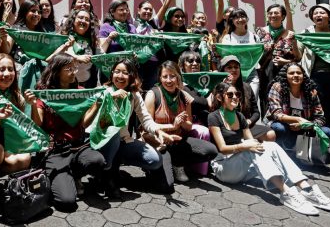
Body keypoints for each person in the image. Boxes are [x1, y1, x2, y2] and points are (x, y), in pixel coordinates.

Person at [209, 81, 330, 215]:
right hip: (224, 167)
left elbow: (251, 141)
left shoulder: (240, 116)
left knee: (270, 145)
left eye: (237, 94)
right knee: (252, 149)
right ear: (220, 97)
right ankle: (287, 192)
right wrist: (243, 146)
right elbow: (222, 148)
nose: (235, 97)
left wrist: (252, 145)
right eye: (230, 94)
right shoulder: (214, 117)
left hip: (243, 168)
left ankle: (306, 189)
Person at [84, 59, 179, 196]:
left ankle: (115, 165)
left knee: (154, 160)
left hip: (123, 141)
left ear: (131, 76)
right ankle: (106, 174)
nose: (120, 76)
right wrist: (110, 97)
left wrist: (158, 131)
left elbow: (145, 119)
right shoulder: (103, 92)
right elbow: (94, 122)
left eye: (125, 73)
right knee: (113, 132)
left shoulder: (134, 95)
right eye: (117, 72)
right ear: (111, 74)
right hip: (99, 141)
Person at [27, 54, 105, 210]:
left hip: (77, 146)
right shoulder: (44, 92)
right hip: (56, 150)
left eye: (74, 68)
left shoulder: (80, 91)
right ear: (56, 71)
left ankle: (74, 176)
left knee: (97, 161)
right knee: (67, 202)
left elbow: (83, 123)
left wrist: (96, 106)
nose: (74, 72)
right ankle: (55, 175)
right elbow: (38, 123)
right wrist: (34, 105)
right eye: (69, 68)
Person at [143, 61, 218, 181]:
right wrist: (173, 126)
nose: (169, 80)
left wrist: (182, 122)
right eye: (165, 76)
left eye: (172, 76)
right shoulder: (153, 95)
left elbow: (188, 127)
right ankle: (153, 167)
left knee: (211, 151)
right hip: (159, 143)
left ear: (178, 77)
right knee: (166, 187)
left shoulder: (184, 96)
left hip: (178, 142)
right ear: (160, 78)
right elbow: (147, 126)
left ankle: (177, 162)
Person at [298, 3, 330, 135]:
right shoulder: (306, 33)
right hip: (314, 77)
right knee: (315, 110)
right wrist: (293, 42)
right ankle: (313, 139)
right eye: (315, 13)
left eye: (322, 13)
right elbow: (297, 55)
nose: (318, 15)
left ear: (329, 16)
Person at [267, 63, 330, 149]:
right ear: (285, 75)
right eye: (291, 73)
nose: (296, 75)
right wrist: (298, 119)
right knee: (279, 128)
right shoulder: (278, 87)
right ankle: (279, 152)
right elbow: (276, 114)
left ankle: (312, 156)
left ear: (303, 75)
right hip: (284, 126)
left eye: (298, 73)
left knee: (327, 132)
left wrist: (306, 125)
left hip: (305, 128)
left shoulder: (311, 91)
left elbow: (320, 117)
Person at [254, 0, 299, 115]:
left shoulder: (289, 34)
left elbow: (297, 58)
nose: (272, 15)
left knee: (283, 100)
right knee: (265, 98)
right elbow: (254, 52)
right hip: (264, 72)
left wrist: (285, 62)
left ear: (283, 16)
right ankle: (268, 126)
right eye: (270, 13)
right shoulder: (259, 32)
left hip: (283, 72)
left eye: (276, 13)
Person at [220, 55, 276, 142]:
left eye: (236, 67)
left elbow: (256, 112)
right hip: (226, 127)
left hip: (246, 126)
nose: (233, 70)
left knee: (270, 134)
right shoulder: (217, 87)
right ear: (223, 70)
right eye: (229, 67)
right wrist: (224, 87)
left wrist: (249, 121)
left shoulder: (246, 87)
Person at [58, 8, 102, 87]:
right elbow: (56, 57)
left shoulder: (93, 40)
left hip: (87, 85)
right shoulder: (62, 37)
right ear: (73, 20)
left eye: (87, 19)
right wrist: (76, 58)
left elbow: (102, 56)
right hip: (66, 85)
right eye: (80, 18)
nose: (83, 21)